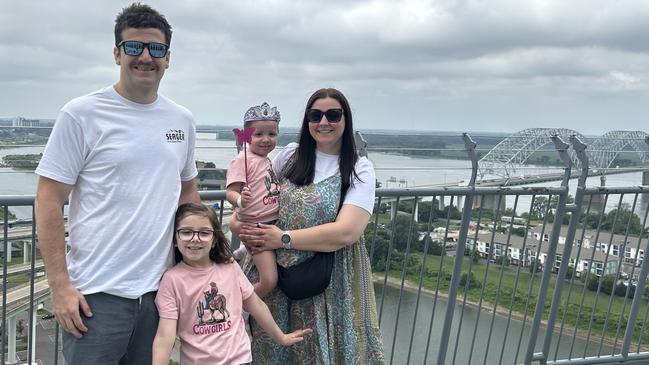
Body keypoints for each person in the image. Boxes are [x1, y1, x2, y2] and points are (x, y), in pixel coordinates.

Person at [34, 3, 201, 364]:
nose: (145, 57)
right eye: (134, 47)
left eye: (156, 49)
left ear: (168, 58)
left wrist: (195, 262)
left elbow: (188, 191)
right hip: (95, 296)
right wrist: (59, 286)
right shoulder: (80, 114)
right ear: (116, 53)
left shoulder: (182, 120)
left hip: (160, 292)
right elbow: (48, 200)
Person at [235, 88, 386, 363]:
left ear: (346, 120)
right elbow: (258, 200)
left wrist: (282, 238)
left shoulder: (358, 169)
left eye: (333, 115)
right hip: (276, 272)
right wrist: (240, 224)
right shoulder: (290, 156)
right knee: (268, 348)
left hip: (327, 280)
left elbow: (347, 232)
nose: (323, 122)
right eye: (315, 115)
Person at [152, 203, 311, 365]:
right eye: (186, 232)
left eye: (204, 233)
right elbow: (165, 336)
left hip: (239, 359)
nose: (195, 238)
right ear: (175, 240)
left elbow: (256, 305)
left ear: (214, 240)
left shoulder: (229, 267)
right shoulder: (172, 280)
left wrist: (281, 337)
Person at [226, 102, 281, 298]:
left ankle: (243, 249)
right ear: (247, 136)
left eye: (271, 134)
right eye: (258, 134)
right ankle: (241, 306)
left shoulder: (266, 160)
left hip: (271, 222)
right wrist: (241, 200)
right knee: (269, 280)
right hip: (257, 227)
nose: (266, 139)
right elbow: (230, 192)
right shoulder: (242, 159)